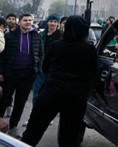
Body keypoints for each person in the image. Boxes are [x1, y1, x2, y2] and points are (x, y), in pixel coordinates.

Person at [21, 16, 97, 147]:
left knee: (32, 133)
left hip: (51, 92)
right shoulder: (89, 49)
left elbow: (45, 67)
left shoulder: (56, 45)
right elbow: (93, 73)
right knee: (69, 138)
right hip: (76, 97)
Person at [0, 13, 44, 137]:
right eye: (25, 20)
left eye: (30, 20)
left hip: (28, 74)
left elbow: (41, 54)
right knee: (4, 100)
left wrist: (37, 70)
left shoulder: (36, 35)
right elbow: (1, 55)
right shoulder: (10, 35)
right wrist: (1, 72)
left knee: (20, 102)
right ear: (19, 22)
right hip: (10, 73)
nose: (28, 22)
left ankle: (13, 127)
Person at [32, 14, 62, 104]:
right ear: (47, 22)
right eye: (51, 21)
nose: (52, 24)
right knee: (37, 92)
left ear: (57, 24)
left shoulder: (60, 36)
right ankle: (35, 112)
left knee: (49, 94)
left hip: (53, 69)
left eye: (55, 22)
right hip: (40, 68)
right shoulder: (41, 35)